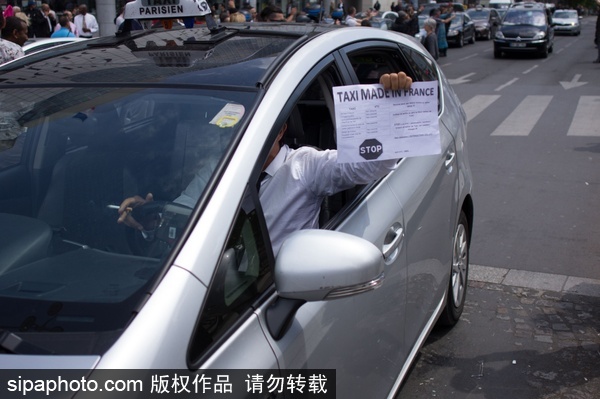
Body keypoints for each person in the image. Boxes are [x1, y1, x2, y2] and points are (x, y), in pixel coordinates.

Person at [118, 72, 413, 255]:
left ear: (281, 130)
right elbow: (183, 217)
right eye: (235, 129)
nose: (244, 138)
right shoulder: (216, 170)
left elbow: (366, 167)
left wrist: (390, 108)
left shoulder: (305, 165)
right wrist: (151, 219)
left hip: (275, 295)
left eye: (255, 129)